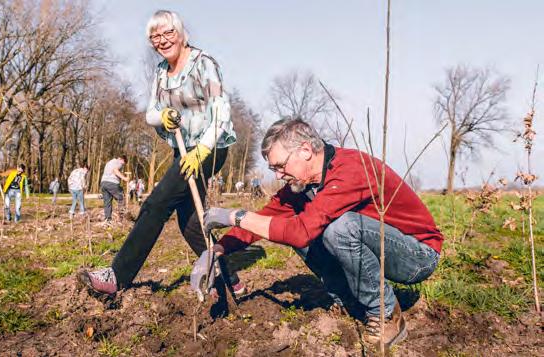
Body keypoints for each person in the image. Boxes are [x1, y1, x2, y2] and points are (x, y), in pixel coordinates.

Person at [195, 118, 444, 349]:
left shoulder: (350, 170)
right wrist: (217, 250)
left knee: (337, 228)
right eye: (274, 169)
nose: (279, 175)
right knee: (302, 227)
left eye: (281, 166)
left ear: (305, 151)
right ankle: (349, 301)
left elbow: (300, 232)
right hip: (382, 249)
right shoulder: (301, 184)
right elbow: (266, 220)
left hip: (417, 255)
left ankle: (386, 313)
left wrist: (235, 216)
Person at [77, 10, 244, 296]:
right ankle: (230, 278)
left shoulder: (204, 64)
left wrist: (202, 149)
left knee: (156, 204)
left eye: (168, 33)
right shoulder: (160, 71)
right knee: (191, 224)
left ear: (181, 34)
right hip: (183, 149)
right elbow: (150, 113)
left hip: (210, 148)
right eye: (156, 36)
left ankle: (117, 276)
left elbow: (221, 111)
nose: (163, 40)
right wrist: (163, 115)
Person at [99, 155, 129, 223]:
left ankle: (108, 220)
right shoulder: (118, 162)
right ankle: (122, 218)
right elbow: (115, 170)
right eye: (123, 163)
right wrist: (124, 178)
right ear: (122, 159)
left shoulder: (109, 162)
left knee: (107, 202)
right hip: (112, 183)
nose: (123, 165)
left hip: (103, 183)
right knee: (121, 198)